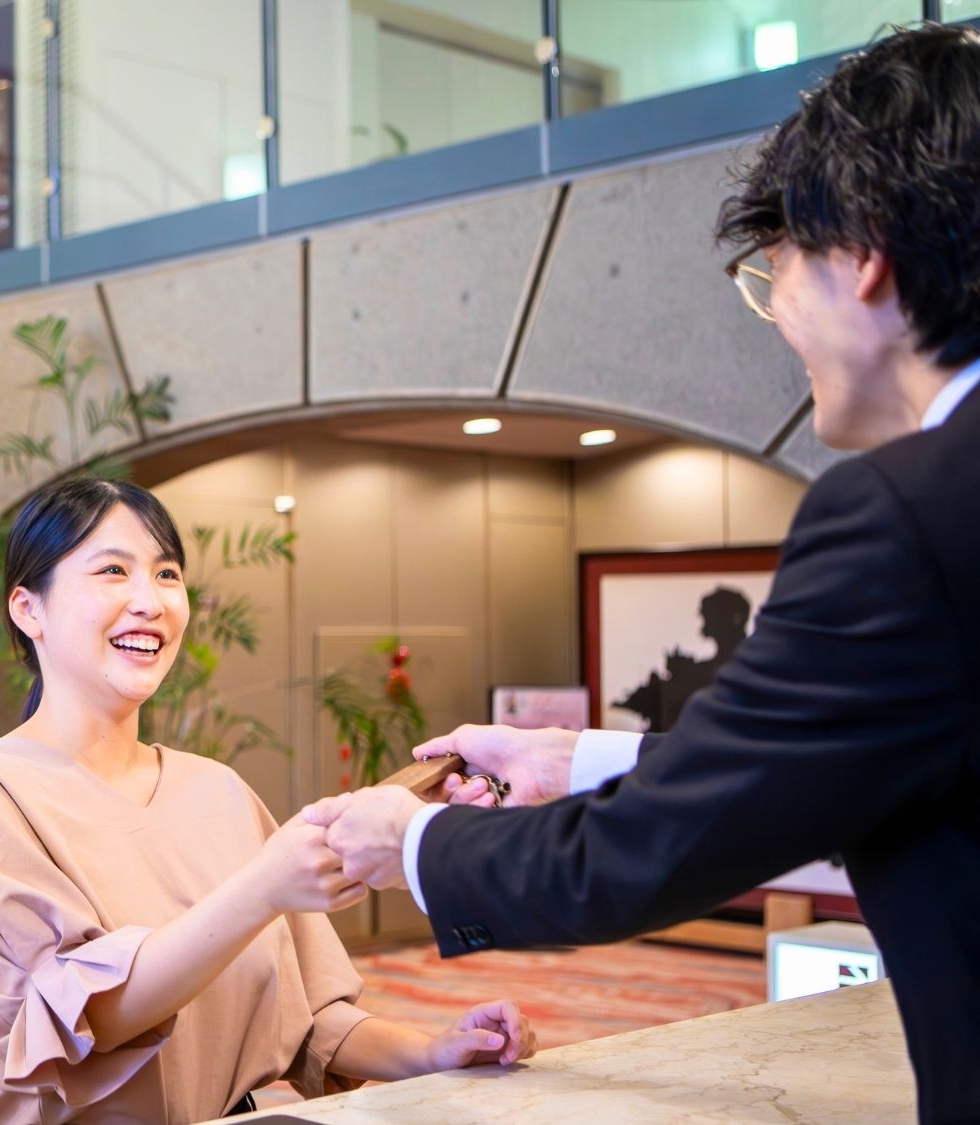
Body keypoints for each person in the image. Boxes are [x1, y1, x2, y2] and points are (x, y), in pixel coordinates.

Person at [305, 24, 980, 1124]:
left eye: (774, 272)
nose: (776, 319)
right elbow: (849, 757)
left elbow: (648, 855)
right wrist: (573, 758)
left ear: (862, 250)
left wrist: (410, 840)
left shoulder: (905, 513)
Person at [0, 477, 536, 1123]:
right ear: (29, 610)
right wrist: (265, 888)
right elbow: (92, 1017)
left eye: (167, 574)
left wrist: (434, 1052)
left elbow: (311, 1019)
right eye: (113, 570)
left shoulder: (216, 789)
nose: (150, 601)